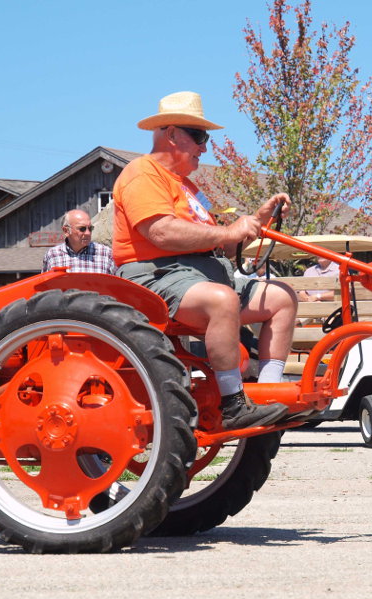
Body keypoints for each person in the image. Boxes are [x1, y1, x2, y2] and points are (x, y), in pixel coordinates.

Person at [112, 91, 298, 430]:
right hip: (154, 278)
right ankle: (233, 404)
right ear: (170, 134)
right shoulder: (142, 173)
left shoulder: (187, 188)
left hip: (200, 274)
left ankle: (271, 391)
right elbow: (162, 233)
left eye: (206, 137)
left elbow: (217, 248)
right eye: (198, 136)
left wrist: (255, 222)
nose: (205, 147)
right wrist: (228, 233)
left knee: (282, 297)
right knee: (221, 300)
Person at [42, 209, 116, 274]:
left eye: (90, 228)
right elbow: (45, 286)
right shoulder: (52, 255)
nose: (88, 233)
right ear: (66, 231)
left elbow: (118, 286)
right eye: (82, 229)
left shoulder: (106, 254)